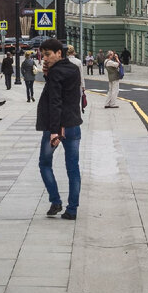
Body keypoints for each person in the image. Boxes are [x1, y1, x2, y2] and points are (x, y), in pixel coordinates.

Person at [38, 38, 84, 220]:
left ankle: (55, 200)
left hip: (55, 127)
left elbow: (56, 102)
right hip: (73, 125)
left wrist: (55, 131)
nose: (45, 58)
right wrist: (49, 75)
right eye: (43, 55)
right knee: (73, 168)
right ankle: (72, 210)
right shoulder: (73, 69)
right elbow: (70, 93)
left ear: (59, 53)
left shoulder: (55, 73)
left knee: (44, 164)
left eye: (48, 54)